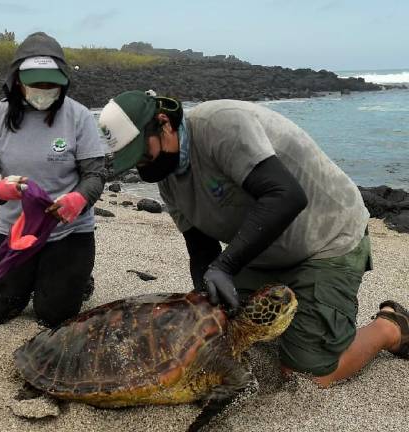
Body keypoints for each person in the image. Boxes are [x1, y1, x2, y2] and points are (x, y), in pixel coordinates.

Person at [97, 90, 408, 387]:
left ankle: (389, 326)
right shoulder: (167, 177)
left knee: (308, 375)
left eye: (141, 153)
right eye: (131, 160)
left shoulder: (221, 124)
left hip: (326, 241)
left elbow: (285, 196)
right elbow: (201, 248)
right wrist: (205, 298)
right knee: (221, 333)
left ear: (163, 123)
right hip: (263, 251)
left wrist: (226, 265)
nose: (141, 166)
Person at [0, 32, 107, 327]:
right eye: (36, 83)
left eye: (51, 83)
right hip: (17, 230)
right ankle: (33, 272)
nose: (44, 89)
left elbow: (95, 174)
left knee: (54, 314)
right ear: (17, 81)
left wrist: (79, 199)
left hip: (69, 231)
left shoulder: (79, 116)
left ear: (63, 82)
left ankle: (78, 280)